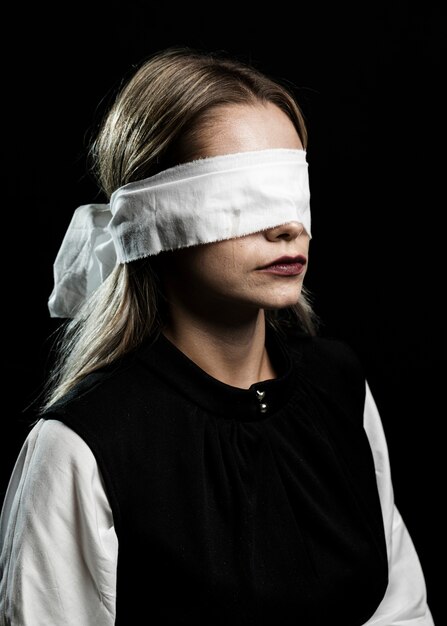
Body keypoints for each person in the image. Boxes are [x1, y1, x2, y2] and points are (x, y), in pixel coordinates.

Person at [0, 46, 434, 626]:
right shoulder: (82, 446)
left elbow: (401, 610)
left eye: (292, 193)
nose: (288, 227)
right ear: (154, 219)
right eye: (244, 198)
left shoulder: (340, 385)